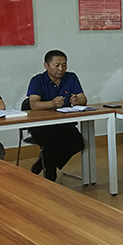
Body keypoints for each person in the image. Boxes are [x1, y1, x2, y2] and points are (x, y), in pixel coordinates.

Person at [27, 50, 86, 181]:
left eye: (64, 65)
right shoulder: (37, 80)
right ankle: (50, 177)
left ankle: (42, 164)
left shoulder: (71, 77)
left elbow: (83, 99)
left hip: (63, 123)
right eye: (57, 65)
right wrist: (52, 103)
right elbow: (33, 104)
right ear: (46, 65)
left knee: (77, 142)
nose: (61, 69)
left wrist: (77, 101)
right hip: (41, 125)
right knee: (51, 144)